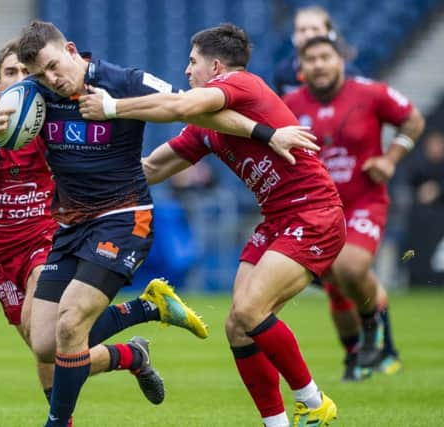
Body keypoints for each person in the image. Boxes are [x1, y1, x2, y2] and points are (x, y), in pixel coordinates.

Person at [0, 37, 209, 426]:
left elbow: (145, 114)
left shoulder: (46, 112)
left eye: (29, 73)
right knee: (46, 347)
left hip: (46, 236)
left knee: (66, 328)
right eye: (12, 73)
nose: (23, 80)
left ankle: (60, 421)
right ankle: (134, 346)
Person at [80, 23, 345, 427]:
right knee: (238, 327)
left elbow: (181, 106)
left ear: (216, 67)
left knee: (251, 310)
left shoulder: (243, 83)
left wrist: (113, 107)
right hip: (277, 218)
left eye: (192, 62)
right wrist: (82, 178)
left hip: (313, 212)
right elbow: (151, 168)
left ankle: (314, 402)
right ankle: (276, 424)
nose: (187, 71)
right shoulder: (209, 127)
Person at [274, 5, 404, 381]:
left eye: (315, 29)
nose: (307, 36)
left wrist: (389, 157)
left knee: (350, 271)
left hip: (357, 195)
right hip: (315, 198)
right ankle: (358, 357)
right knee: (335, 284)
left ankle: (382, 345)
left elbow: (385, 116)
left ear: (334, 39)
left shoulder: (354, 82)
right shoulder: (284, 81)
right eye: (301, 31)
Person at [273, 5, 360, 96]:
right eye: (302, 30)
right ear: (294, 35)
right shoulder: (283, 73)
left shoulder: (349, 74)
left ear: (330, 34)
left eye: (315, 29)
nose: (309, 35)